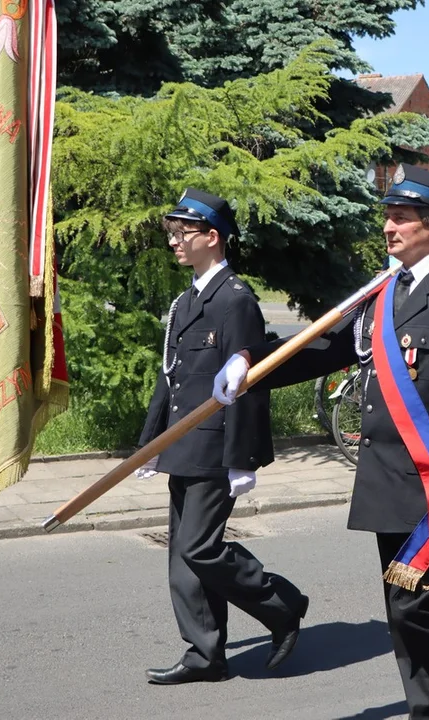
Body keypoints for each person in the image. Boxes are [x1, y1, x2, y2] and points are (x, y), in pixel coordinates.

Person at [214, 164, 429, 719]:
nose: (388, 227)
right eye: (386, 216)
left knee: (417, 609)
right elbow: (324, 347)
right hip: (388, 482)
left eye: (401, 218)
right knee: (400, 609)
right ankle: (427, 709)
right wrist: (251, 363)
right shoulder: (385, 291)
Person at [139, 188, 309, 685]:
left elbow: (248, 386)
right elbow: (170, 378)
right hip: (182, 444)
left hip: (214, 448)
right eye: (172, 232)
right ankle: (205, 653)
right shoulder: (186, 299)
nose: (174, 240)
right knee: (183, 562)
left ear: (213, 238)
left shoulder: (235, 302)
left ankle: (281, 603)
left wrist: (242, 459)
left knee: (200, 548)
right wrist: (152, 442)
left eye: (183, 232)